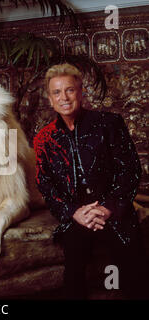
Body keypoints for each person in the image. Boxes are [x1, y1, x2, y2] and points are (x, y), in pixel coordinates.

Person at [33, 63, 148, 299]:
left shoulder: (109, 123)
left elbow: (130, 170)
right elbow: (45, 184)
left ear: (81, 92)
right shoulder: (44, 139)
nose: (64, 97)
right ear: (50, 98)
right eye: (57, 92)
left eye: (70, 90)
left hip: (114, 210)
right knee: (74, 269)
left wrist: (107, 208)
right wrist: (75, 212)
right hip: (77, 216)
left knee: (134, 265)